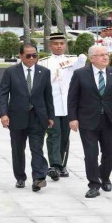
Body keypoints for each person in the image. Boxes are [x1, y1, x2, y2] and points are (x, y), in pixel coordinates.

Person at [67, 44, 112, 199]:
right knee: (91, 154)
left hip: (109, 120)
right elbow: (72, 98)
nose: (105, 57)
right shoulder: (80, 74)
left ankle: (105, 177)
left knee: (109, 152)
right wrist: (72, 118)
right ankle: (94, 184)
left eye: (106, 54)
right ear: (92, 58)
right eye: (101, 55)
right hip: (87, 120)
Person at [0, 43, 55, 192]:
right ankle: (20, 177)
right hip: (17, 117)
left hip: (38, 117)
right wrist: (3, 114)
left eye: (34, 55)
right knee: (18, 149)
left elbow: (48, 96)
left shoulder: (45, 72)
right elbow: (3, 94)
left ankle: (38, 178)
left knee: (37, 148)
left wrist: (51, 116)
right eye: (28, 55)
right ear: (21, 56)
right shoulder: (10, 72)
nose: (31, 58)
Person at [39, 33, 86, 180]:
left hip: (68, 106)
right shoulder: (43, 62)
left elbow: (81, 64)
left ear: (65, 45)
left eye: (61, 43)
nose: (59, 46)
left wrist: (83, 57)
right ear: (50, 45)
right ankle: (54, 165)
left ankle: (62, 165)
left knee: (65, 136)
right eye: (55, 44)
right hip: (51, 105)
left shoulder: (72, 60)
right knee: (54, 134)